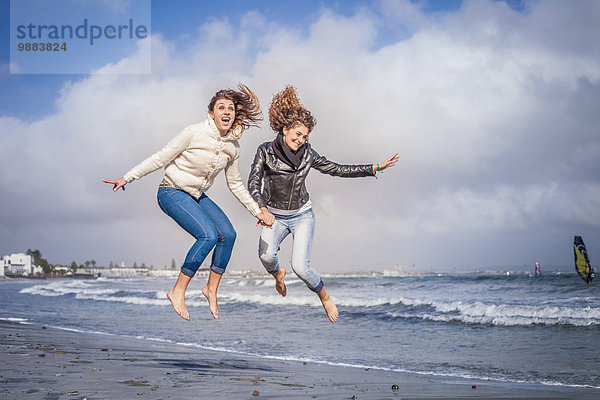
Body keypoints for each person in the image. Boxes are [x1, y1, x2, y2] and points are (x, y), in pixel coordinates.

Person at [104, 84, 275, 321]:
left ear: (235, 115)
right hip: (171, 191)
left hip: (196, 195)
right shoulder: (193, 132)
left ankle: (211, 289)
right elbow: (160, 157)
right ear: (212, 113)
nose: (227, 112)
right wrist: (127, 177)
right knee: (208, 236)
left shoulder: (232, 148)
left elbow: (235, 184)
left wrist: (258, 212)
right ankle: (178, 290)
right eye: (221, 107)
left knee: (228, 234)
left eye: (231, 109)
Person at [248, 86, 399, 323]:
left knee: (301, 267)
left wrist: (373, 168)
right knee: (266, 257)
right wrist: (262, 208)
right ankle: (278, 275)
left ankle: (324, 296)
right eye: (297, 134)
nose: (301, 140)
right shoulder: (265, 151)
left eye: (305, 136)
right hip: (273, 215)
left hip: (301, 215)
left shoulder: (308, 154)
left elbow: (336, 169)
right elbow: (253, 182)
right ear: (285, 129)